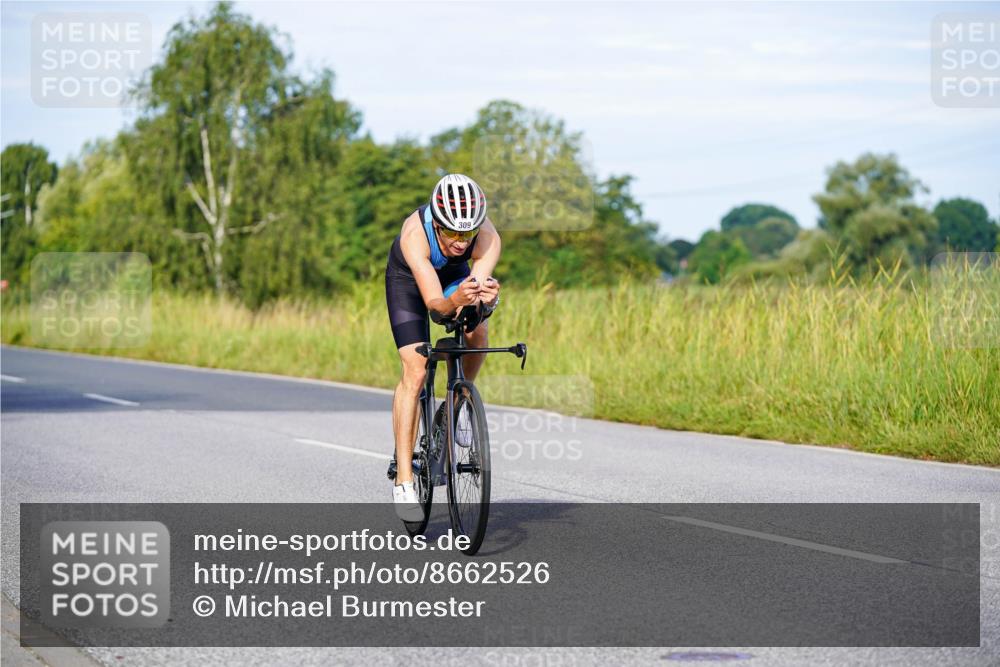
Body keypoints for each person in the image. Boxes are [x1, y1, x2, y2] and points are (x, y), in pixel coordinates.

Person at [384, 174, 501, 520]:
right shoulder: (415, 236)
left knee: (477, 335)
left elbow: (474, 300)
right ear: (437, 223)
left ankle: (459, 402)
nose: (461, 242)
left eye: (468, 234)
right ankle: (405, 479)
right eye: (452, 233)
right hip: (409, 281)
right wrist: (455, 301)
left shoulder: (488, 239)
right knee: (416, 369)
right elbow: (436, 307)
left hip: (453, 276)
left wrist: (485, 303)